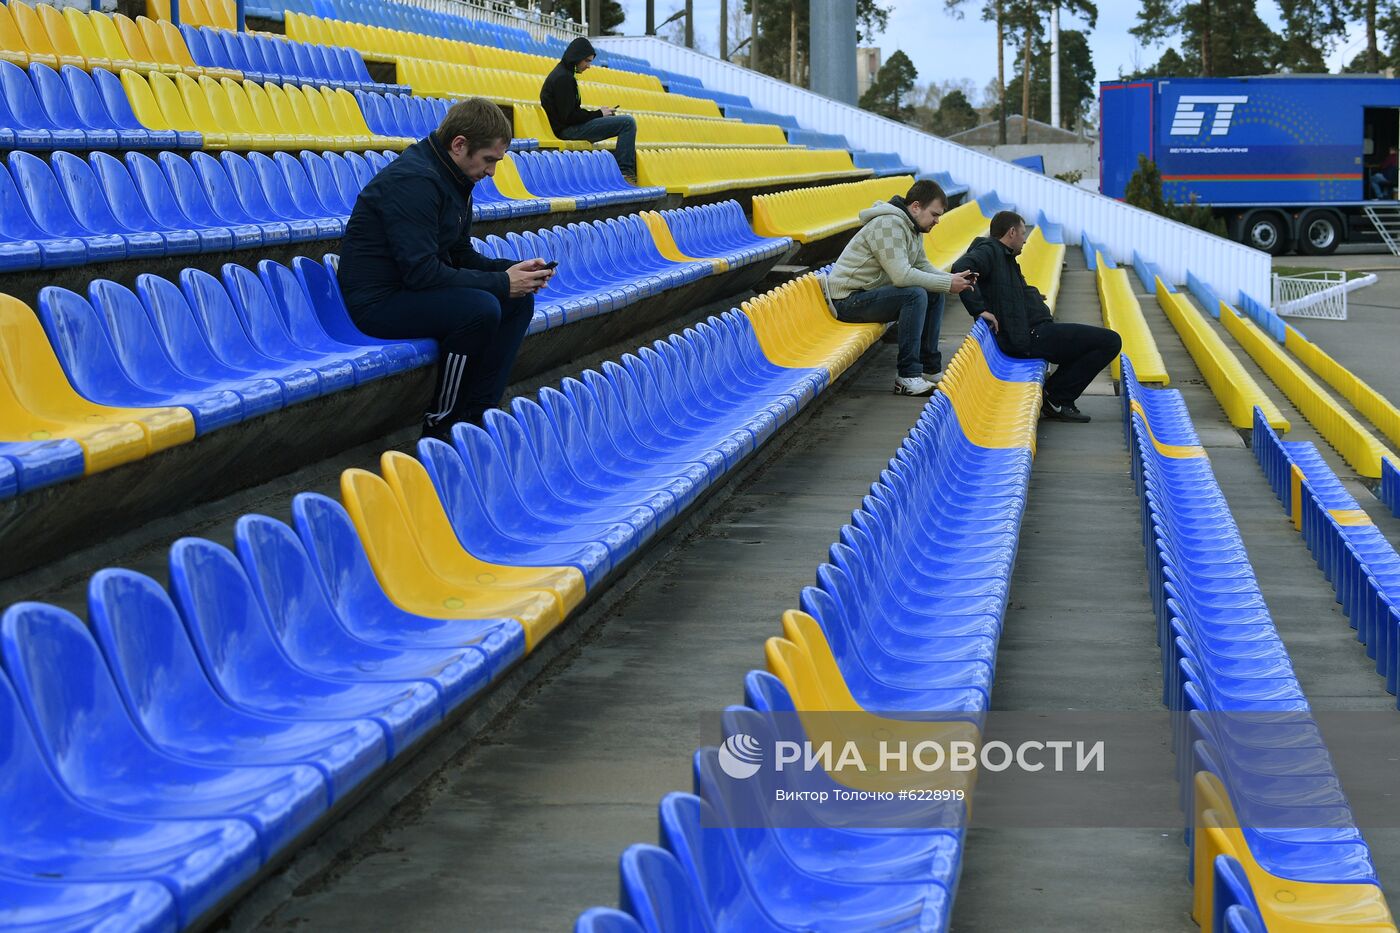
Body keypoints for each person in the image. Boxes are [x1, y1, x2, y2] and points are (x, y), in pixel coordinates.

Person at [337, 97, 554, 442]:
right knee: (479, 309)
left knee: (518, 300)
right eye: (489, 160)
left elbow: (458, 253)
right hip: (377, 302)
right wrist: (499, 282)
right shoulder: (415, 181)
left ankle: (478, 413)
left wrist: (512, 271)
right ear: (459, 145)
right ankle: (442, 423)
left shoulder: (453, 175)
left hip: (410, 289)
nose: (492, 171)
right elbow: (422, 273)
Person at [951, 210, 1121, 423]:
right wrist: (978, 309)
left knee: (1088, 344)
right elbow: (960, 268)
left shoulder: (1004, 255)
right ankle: (1057, 397)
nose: (1024, 240)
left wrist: (1031, 298)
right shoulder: (991, 251)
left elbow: (1007, 289)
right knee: (1110, 341)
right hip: (1027, 336)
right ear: (1011, 232)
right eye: (1023, 234)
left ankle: (1057, 395)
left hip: (1032, 330)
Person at [825, 178, 976, 397]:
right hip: (847, 300)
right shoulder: (888, 224)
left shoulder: (911, 227)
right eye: (934, 215)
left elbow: (922, 265)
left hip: (867, 294)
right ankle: (907, 376)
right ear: (916, 207)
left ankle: (928, 368)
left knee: (933, 293)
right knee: (914, 295)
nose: (937, 221)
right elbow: (901, 276)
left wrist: (951, 279)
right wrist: (948, 283)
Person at [541, 37, 638, 183]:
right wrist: (599, 114)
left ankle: (624, 172)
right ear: (576, 58)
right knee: (628, 123)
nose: (588, 66)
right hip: (567, 131)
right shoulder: (563, 78)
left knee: (626, 122)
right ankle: (624, 173)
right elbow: (569, 117)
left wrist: (599, 113)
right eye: (587, 61)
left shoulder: (565, 74)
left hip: (568, 128)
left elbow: (570, 112)